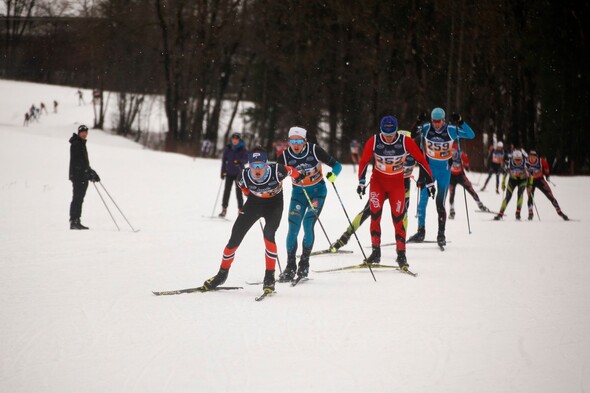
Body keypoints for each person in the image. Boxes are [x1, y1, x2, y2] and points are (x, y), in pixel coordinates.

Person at [201, 148, 302, 293]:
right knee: (234, 238)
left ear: (267, 164)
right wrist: (251, 195)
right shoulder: (243, 176)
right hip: (254, 203)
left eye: (261, 165)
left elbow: (291, 170)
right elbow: (243, 189)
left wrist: (299, 176)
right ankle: (221, 275)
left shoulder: (277, 171)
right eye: (254, 165)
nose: (257, 169)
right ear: (249, 165)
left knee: (269, 234)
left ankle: (269, 277)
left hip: (274, 204)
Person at [357, 116, 434, 270]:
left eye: (391, 134)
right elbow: (364, 161)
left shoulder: (405, 142)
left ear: (396, 131)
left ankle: (401, 254)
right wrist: (361, 181)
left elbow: (422, 160)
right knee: (375, 216)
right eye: (386, 134)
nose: (389, 137)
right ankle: (375, 252)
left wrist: (430, 182)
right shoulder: (374, 141)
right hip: (378, 184)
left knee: (398, 219)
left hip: (397, 186)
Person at [277, 126, 342, 281]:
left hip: (317, 193)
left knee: (307, 224)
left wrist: (333, 176)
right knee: (293, 227)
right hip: (298, 195)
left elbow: (337, 166)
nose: (296, 144)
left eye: (299, 141)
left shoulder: (314, 150)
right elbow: (276, 175)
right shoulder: (285, 156)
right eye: (292, 141)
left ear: (305, 141)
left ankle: (304, 264)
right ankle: (290, 266)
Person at [408, 108, 475, 247]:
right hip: (429, 170)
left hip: (444, 172)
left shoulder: (451, 130)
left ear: (443, 120)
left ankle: (441, 234)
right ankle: (421, 231)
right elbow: (411, 135)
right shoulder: (427, 128)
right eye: (434, 121)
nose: (436, 124)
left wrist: (461, 122)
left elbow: (471, 135)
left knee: (440, 203)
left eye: (439, 121)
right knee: (422, 202)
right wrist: (418, 121)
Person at [69, 125, 100, 230]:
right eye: (82, 132)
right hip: (78, 177)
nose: (84, 134)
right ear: (79, 132)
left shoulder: (81, 143)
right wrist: (86, 172)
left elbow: (84, 162)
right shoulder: (76, 144)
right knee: (77, 198)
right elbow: (77, 162)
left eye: (86, 132)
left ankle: (77, 220)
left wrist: (91, 171)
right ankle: (74, 221)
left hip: (82, 176)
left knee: (80, 199)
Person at [448, 143, 490, 218]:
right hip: (451, 177)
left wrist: (466, 166)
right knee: (451, 193)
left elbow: (466, 160)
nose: (453, 154)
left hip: (460, 175)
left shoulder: (460, 154)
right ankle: (452, 210)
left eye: (454, 152)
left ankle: (480, 205)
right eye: (452, 152)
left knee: (470, 189)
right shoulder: (448, 155)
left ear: (457, 151)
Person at [525, 150, 569, 221]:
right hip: (530, 181)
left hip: (540, 180)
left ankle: (559, 211)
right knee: (530, 196)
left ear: (536, 157)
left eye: (534, 156)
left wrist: (547, 175)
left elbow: (546, 168)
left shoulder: (541, 161)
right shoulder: (525, 161)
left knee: (550, 195)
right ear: (529, 156)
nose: (532, 158)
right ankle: (530, 214)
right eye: (531, 156)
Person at [219, 132, 249, 217]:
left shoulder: (243, 149)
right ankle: (224, 209)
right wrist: (222, 171)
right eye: (233, 139)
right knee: (226, 191)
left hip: (239, 174)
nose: (235, 140)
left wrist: (240, 162)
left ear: (239, 140)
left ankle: (240, 210)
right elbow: (224, 161)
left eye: (236, 139)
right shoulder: (228, 148)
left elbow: (247, 159)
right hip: (229, 172)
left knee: (239, 192)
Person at [493, 150, 528, 220]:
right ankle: (500, 214)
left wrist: (530, 184)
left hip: (523, 181)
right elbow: (505, 174)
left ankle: (518, 213)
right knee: (508, 197)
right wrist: (503, 183)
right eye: (516, 160)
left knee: (520, 194)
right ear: (513, 159)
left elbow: (530, 175)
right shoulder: (509, 163)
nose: (518, 162)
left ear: (522, 159)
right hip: (512, 180)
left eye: (519, 160)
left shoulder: (525, 163)